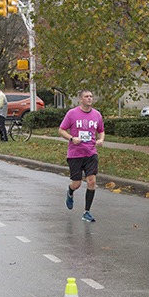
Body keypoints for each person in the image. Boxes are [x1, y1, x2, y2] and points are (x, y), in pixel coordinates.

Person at [58, 89, 105, 222]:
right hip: (75, 154)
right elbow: (61, 130)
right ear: (81, 99)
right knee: (77, 184)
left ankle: (87, 212)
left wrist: (101, 140)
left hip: (91, 153)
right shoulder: (72, 114)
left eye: (91, 96)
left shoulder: (97, 115)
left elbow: (101, 131)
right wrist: (72, 138)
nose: (90, 98)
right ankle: (70, 192)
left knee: (92, 181)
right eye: (86, 96)